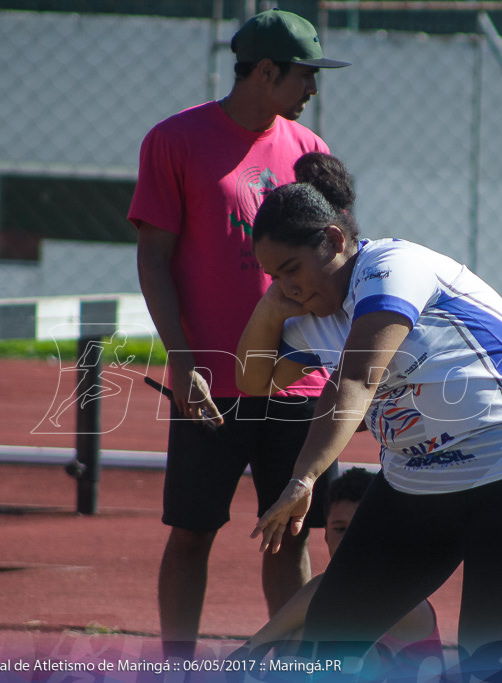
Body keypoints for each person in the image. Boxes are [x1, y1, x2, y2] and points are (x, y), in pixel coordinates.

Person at [235, 153, 502, 673]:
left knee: (493, 663)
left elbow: (357, 379)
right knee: (329, 642)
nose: (287, 287)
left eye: (291, 271)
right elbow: (252, 381)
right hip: (418, 489)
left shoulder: (391, 268)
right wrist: (268, 308)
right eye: (272, 277)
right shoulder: (312, 317)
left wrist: (304, 478)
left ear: (333, 241)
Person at [127, 10, 349, 661]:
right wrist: (181, 358)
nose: (312, 88)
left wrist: (339, 367)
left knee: (291, 532)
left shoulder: (310, 152)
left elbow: (335, 263)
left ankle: (294, 665)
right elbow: (153, 258)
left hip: (299, 380)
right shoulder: (175, 141)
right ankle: (176, 666)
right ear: (265, 71)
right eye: (304, 75)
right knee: (193, 531)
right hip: (212, 380)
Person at [234, 467, 445, 677]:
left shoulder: (403, 593)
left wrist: (255, 645)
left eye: (362, 529)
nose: (350, 541)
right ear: (325, 535)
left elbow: (341, 585)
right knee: (298, 640)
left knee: (335, 646)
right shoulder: (329, 599)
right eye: (340, 529)